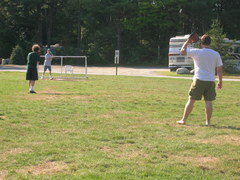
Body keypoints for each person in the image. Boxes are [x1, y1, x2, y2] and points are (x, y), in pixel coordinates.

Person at [177, 34, 223, 126]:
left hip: (199, 79)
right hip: (210, 80)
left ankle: (183, 120)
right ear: (210, 43)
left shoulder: (197, 52)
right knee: (208, 101)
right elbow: (219, 69)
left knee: (191, 100)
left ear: (201, 43)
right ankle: (208, 122)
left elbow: (182, 52)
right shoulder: (216, 54)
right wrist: (220, 81)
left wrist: (187, 41)